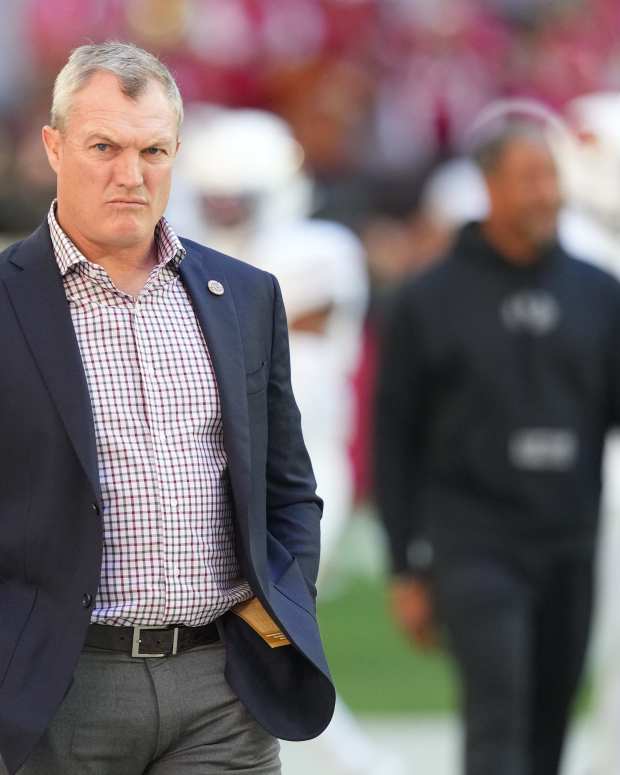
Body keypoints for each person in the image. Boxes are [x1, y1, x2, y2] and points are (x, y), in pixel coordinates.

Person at [0, 41, 335, 775]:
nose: (130, 174)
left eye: (153, 149)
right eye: (104, 147)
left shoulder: (246, 295)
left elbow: (289, 489)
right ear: (54, 146)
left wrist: (272, 609)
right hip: (54, 691)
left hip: (221, 690)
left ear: (177, 151)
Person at [374, 121, 620, 775]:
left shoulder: (600, 293)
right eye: (529, 179)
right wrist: (404, 565)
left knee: (551, 723)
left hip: (571, 539)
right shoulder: (428, 299)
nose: (546, 194)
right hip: (476, 542)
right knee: (498, 719)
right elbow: (394, 437)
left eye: (552, 178)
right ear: (488, 186)